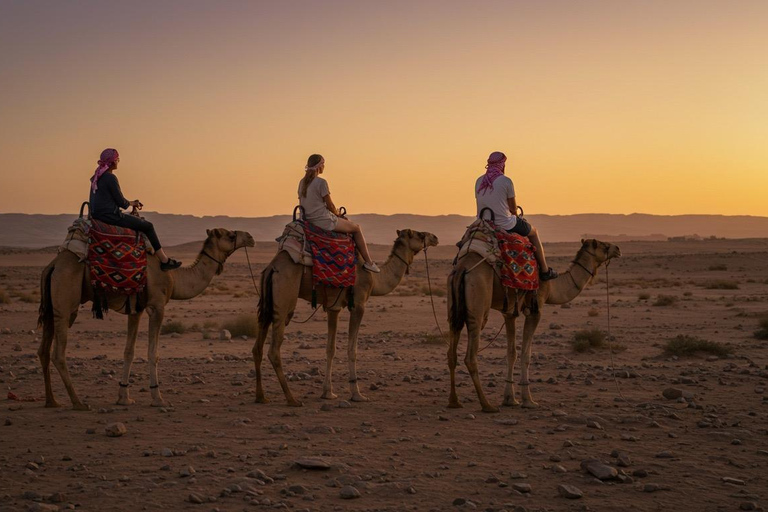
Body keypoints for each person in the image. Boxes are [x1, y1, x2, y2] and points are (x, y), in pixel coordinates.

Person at [89, 148, 182, 271]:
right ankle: (165, 261)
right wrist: (133, 203)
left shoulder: (97, 177)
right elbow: (122, 203)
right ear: (113, 162)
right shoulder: (110, 177)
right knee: (148, 226)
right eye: (117, 159)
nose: (118, 161)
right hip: (111, 216)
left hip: (98, 215)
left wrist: (130, 203)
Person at [475, 151, 557, 281]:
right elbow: (513, 209)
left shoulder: (479, 180)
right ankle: (545, 270)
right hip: (505, 224)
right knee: (534, 232)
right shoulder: (506, 181)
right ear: (502, 165)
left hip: (483, 223)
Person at [298, 154, 380, 273]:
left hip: (306, 220)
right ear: (319, 166)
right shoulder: (321, 182)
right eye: (323, 164)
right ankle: (369, 262)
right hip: (323, 221)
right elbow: (330, 205)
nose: (324, 166)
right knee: (356, 228)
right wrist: (336, 213)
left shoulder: (302, 182)